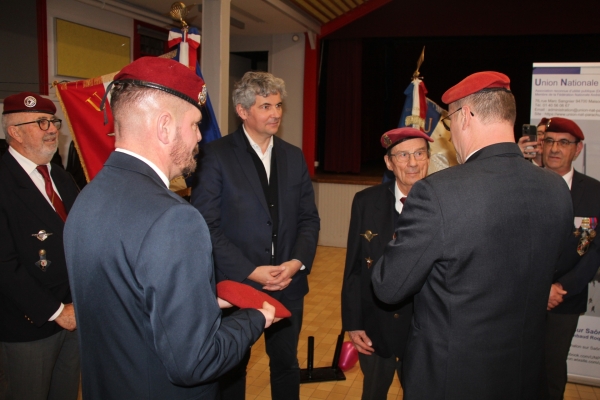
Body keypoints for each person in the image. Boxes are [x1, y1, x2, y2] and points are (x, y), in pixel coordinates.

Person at [63, 57, 277, 400]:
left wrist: (202, 303)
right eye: (194, 124)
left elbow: (127, 303)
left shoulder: (88, 197)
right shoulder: (174, 218)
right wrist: (253, 319)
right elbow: (195, 361)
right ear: (165, 126)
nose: (198, 139)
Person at [371, 71, 574, 399]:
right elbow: (558, 263)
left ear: (466, 116)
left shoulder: (437, 193)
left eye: (449, 125)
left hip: (453, 379)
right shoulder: (555, 188)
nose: (450, 138)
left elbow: (389, 287)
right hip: (524, 375)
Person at [191, 71, 320, 400]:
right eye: (265, 106)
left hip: (288, 284)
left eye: (278, 105)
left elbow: (309, 218)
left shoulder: (293, 155)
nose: (276, 113)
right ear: (242, 110)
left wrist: (295, 263)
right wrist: (250, 270)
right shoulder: (215, 155)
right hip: (237, 286)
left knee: (285, 364)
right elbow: (206, 225)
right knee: (233, 368)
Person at [0, 92, 80, 400]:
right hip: (29, 325)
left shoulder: (60, 176)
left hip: (74, 316)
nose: (52, 129)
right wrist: (56, 311)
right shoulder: (4, 181)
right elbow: (4, 266)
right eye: (41, 122)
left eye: (53, 122)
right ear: (15, 131)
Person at [342, 127, 432, 399]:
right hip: (375, 327)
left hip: (424, 331)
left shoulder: (446, 203)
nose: (413, 163)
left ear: (429, 157)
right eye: (403, 155)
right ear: (389, 163)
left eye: (419, 153)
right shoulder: (365, 202)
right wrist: (353, 322)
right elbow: (354, 267)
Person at [540, 117, 600, 400]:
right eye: (549, 141)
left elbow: (595, 249)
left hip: (565, 299)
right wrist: (539, 288)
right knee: (515, 366)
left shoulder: (594, 192)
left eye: (564, 142)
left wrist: (559, 289)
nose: (554, 148)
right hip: (522, 296)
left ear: (577, 149)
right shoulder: (522, 185)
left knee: (552, 369)